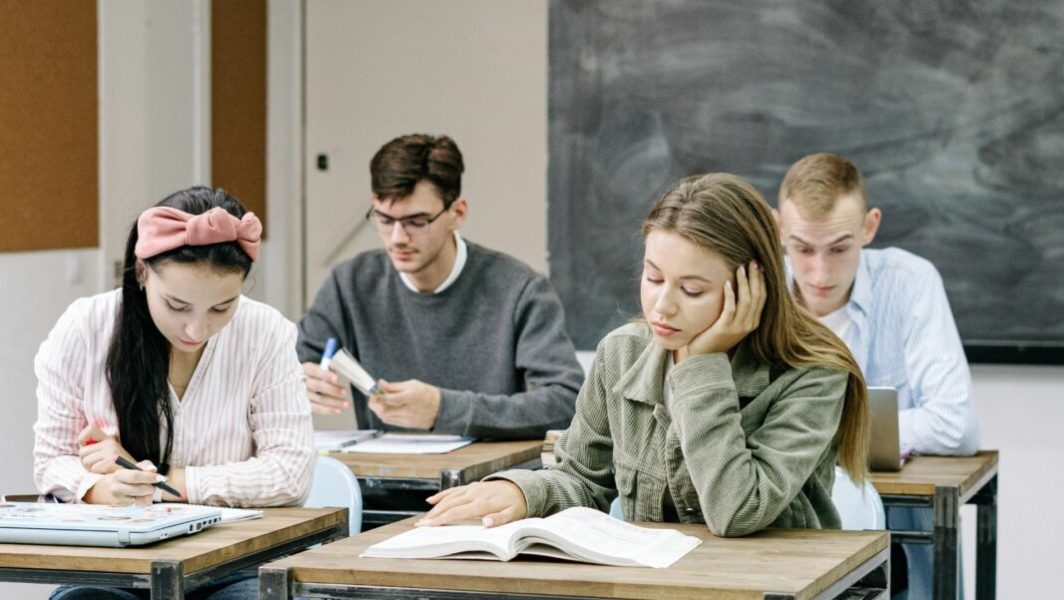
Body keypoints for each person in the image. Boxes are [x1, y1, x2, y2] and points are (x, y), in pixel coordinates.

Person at [417, 173, 870, 536]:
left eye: (692, 289)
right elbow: (583, 480)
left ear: (752, 288)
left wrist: (701, 367)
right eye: (654, 278)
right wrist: (521, 493)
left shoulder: (812, 373)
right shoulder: (621, 353)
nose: (662, 305)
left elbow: (737, 511)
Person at [34, 187, 315, 600]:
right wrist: (99, 489)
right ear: (143, 271)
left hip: (234, 564)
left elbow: (290, 473)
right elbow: (50, 460)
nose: (196, 330)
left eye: (222, 308)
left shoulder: (265, 332)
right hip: (113, 566)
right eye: (177, 306)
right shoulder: (86, 327)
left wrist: (166, 481)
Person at [774, 152, 981, 597]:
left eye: (839, 248)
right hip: (786, 508)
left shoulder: (909, 282)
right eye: (803, 249)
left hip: (894, 512)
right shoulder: (759, 291)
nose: (820, 272)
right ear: (778, 230)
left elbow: (955, 425)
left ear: (869, 227)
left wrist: (822, 437)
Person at [297, 134, 583, 440]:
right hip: (382, 481)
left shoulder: (519, 289)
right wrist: (301, 380)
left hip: (483, 483)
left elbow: (566, 402)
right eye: (384, 219)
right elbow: (286, 365)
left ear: (457, 213)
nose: (397, 238)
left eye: (416, 221)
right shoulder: (351, 282)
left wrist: (444, 409)